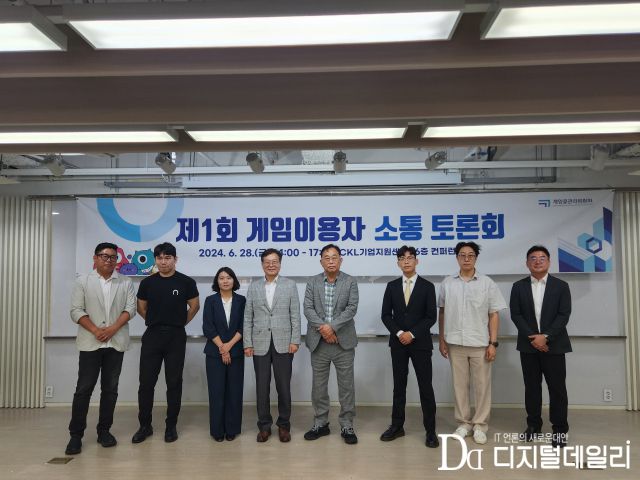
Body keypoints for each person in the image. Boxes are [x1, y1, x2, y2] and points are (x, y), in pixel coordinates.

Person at [66, 242, 136, 455]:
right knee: (83, 389)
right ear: (95, 258)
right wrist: (96, 330)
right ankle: (76, 435)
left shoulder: (125, 281)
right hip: (91, 342)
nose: (109, 260)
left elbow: (130, 309)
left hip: (115, 342)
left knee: (110, 390)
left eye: (113, 257)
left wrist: (112, 329)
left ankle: (104, 431)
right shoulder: (83, 281)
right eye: (104, 256)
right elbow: (76, 310)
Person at [438, 241, 506, 445]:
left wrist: (493, 343)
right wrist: (442, 339)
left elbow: (494, 314)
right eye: (462, 255)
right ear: (457, 257)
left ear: (476, 258)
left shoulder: (487, 283)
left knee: (482, 386)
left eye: (470, 255)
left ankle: (480, 425)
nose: (466, 258)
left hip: (480, 344)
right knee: (459, 385)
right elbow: (442, 312)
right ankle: (464, 423)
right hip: (454, 343)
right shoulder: (448, 283)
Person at [132, 242, 200, 444]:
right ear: (155, 260)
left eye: (168, 258)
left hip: (175, 337)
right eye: (160, 258)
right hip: (152, 336)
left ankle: (171, 426)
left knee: (174, 382)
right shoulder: (147, 283)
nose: (163, 262)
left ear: (175, 259)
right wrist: (155, 321)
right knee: (146, 383)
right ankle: (145, 426)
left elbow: (195, 306)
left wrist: (180, 323)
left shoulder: (186, 282)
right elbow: (141, 307)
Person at [509, 245, 572, 448]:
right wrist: (534, 338)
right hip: (529, 347)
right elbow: (516, 314)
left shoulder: (561, 286)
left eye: (542, 258)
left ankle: (560, 430)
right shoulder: (518, 286)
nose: (537, 261)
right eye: (533, 258)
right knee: (532, 388)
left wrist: (545, 337)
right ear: (527, 263)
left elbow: (564, 315)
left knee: (557, 389)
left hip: (555, 346)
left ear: (549, 262)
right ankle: (533, 425)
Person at [380, 246, 439, 448]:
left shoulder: (427, 286)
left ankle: (430, 431)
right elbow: (386, 315)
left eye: (410, 257)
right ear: (398, 262)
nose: (406, 261)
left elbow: (431, 316)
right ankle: (397, 426)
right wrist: (399, 333)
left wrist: (412, 334)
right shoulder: (391, 286)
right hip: (398, 344)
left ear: (416, 261)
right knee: (399, 386)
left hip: (420, 343)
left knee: (425, 387)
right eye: (402, 258)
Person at [303, 244, 359, 445]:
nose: (331, 261)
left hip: (343, 342)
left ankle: (347, 424)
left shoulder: (350, 281)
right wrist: (324, 330)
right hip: (319, 342)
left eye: (334, 257)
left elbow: (351, 308)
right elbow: (308, 309)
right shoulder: (312, 282)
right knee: (318, 387)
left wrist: (332, 328)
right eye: (326, 258)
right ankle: (321, 423)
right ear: (321, 262)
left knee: (346, 386)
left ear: (340, 260)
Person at [243, 248, 301, 443]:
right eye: (267, 261)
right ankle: (264, 426)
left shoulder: (290, 285)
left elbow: (295, 314)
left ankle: (284, 425)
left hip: (284, 342)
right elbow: (248, 317)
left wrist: (295, 340)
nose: (271, 264)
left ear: (280, 264)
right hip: (259, 343)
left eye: (274, 261)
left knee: (283, 387)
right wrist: (248, 343)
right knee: (262, 387)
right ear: (262, 264)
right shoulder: (254, 287)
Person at [203, 267, 246, 442]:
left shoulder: (241, 300)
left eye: (228, 277)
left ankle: (232, 429)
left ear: (234, 280)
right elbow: (208, 327)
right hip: (214, 353)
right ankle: (217, 430)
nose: (225, 281)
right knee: (216, 392)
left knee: (234, 392)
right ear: (217, 281)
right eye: (221, 278)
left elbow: (244, 326)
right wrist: (222, 347)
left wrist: (228, 346)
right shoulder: (210, 300)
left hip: (236, 352)